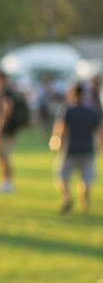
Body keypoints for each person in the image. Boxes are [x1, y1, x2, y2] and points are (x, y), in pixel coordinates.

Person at [52, 82, 102, 214]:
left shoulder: (68, 110)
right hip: (88, 149)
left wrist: (56, 143)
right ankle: (83, 199)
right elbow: (99, 132)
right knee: (86, 178)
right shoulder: (92, 111)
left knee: (62, 176)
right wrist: (101, 147)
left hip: (70, 149)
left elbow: (61, 129)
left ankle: (66, 197)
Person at [0, 69, 26, 193]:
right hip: (8, 128)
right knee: (1, 155)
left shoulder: (5, 92)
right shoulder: (7, 91)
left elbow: (6, 109)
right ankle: (5, 180)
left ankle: (6, 181)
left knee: (1, 155)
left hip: (5, 129)